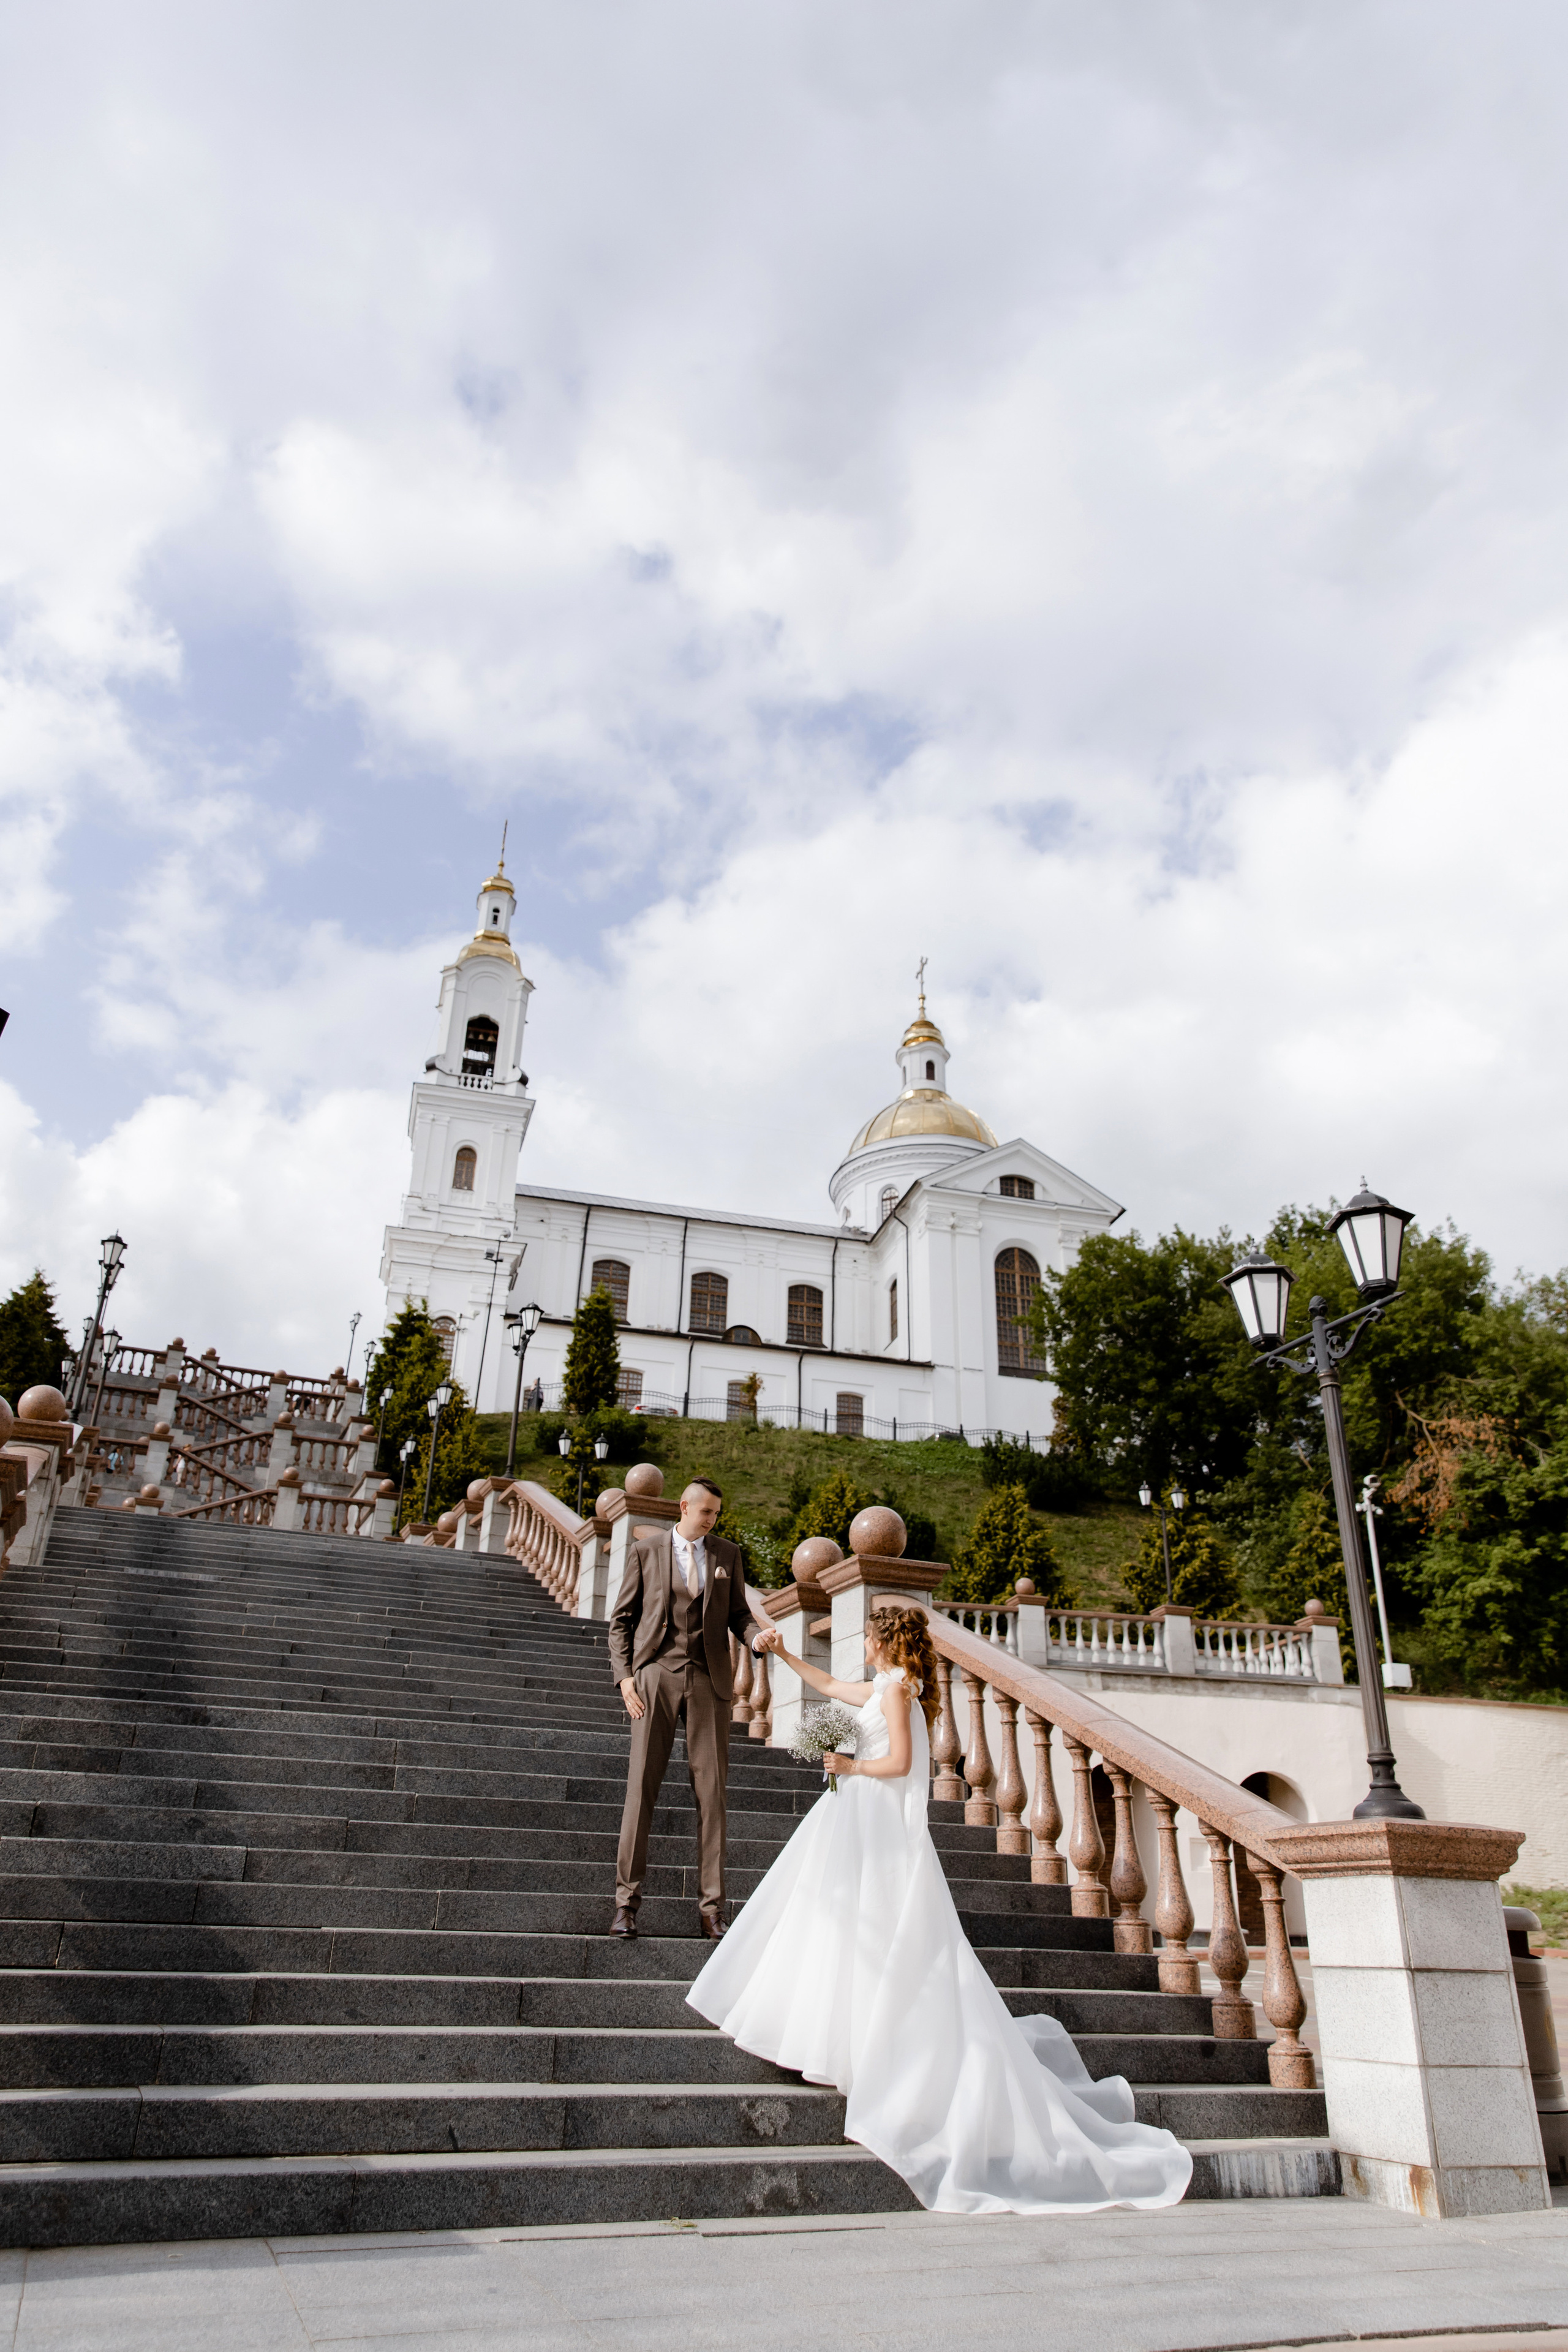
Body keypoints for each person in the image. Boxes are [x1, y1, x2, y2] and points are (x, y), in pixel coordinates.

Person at [687, 1602, 1193, 2215]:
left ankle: (870, 2049)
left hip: (875, 1814)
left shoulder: (899, 1691)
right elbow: (830, 1685)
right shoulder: (886, 1685)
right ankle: (842, 2041)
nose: (863, 1646)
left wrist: (850, 1765)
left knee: (872, 1927)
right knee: (841, 1923)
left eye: (868, 1638)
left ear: (883, 1641)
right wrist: (785, 1654)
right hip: (857, 1814)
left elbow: (901, 1764)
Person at [607, 1475, 761, 1942]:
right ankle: (625, 1905)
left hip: (710, 1681)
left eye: (717, 1513)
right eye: (707, 1511)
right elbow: (622, 1620)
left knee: (712, 1797)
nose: (712, 1519)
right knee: (641, 1789)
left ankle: (712, 1910)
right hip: (655, 1676)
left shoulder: (728, 1554)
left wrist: (757, 1638)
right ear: (685, 1507)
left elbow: (739, 1614)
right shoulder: (646, 1551)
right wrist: (626, 1677)